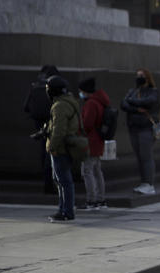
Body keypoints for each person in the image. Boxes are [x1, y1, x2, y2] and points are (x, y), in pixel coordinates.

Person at [44, 75, 80, 222]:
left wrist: (52, 146)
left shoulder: (59, 106)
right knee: (61, 180)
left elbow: (59, 130)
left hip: (61, 148)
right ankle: (63, 209)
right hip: (66, 146)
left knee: (63, 181)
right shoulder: (69, 101)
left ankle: (66, 211)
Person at [121, 68, 160, 194]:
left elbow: (149, 102)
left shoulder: (153, 92)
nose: (139, 77)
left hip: (146, 128)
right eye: (137, 75)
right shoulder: (132, 91)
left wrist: (132, 103)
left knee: (146, 156)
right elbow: (123, 104)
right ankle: (143, 182)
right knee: (139, 157)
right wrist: (137, 109)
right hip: (133, 127)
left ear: (147, 77)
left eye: (142, 75)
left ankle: (149, 183)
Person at [24, 65, 59, 194]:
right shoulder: (55, 85)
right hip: (52, 122)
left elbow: (26, 107)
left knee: (43, 151)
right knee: (52, 153)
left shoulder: (35, 85)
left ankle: (46, 181)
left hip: (39, 123)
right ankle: (50, 183)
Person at [77, 78, 111, 210]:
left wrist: (78, 127)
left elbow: (87, 124)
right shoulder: (100, 101)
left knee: (87, 171)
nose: (80, 94)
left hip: (90, 141)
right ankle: (101, 199)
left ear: (86, 91)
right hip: (98, 140)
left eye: (81, 91)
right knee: (97, 170)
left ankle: (91, 200)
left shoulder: (91, 103)